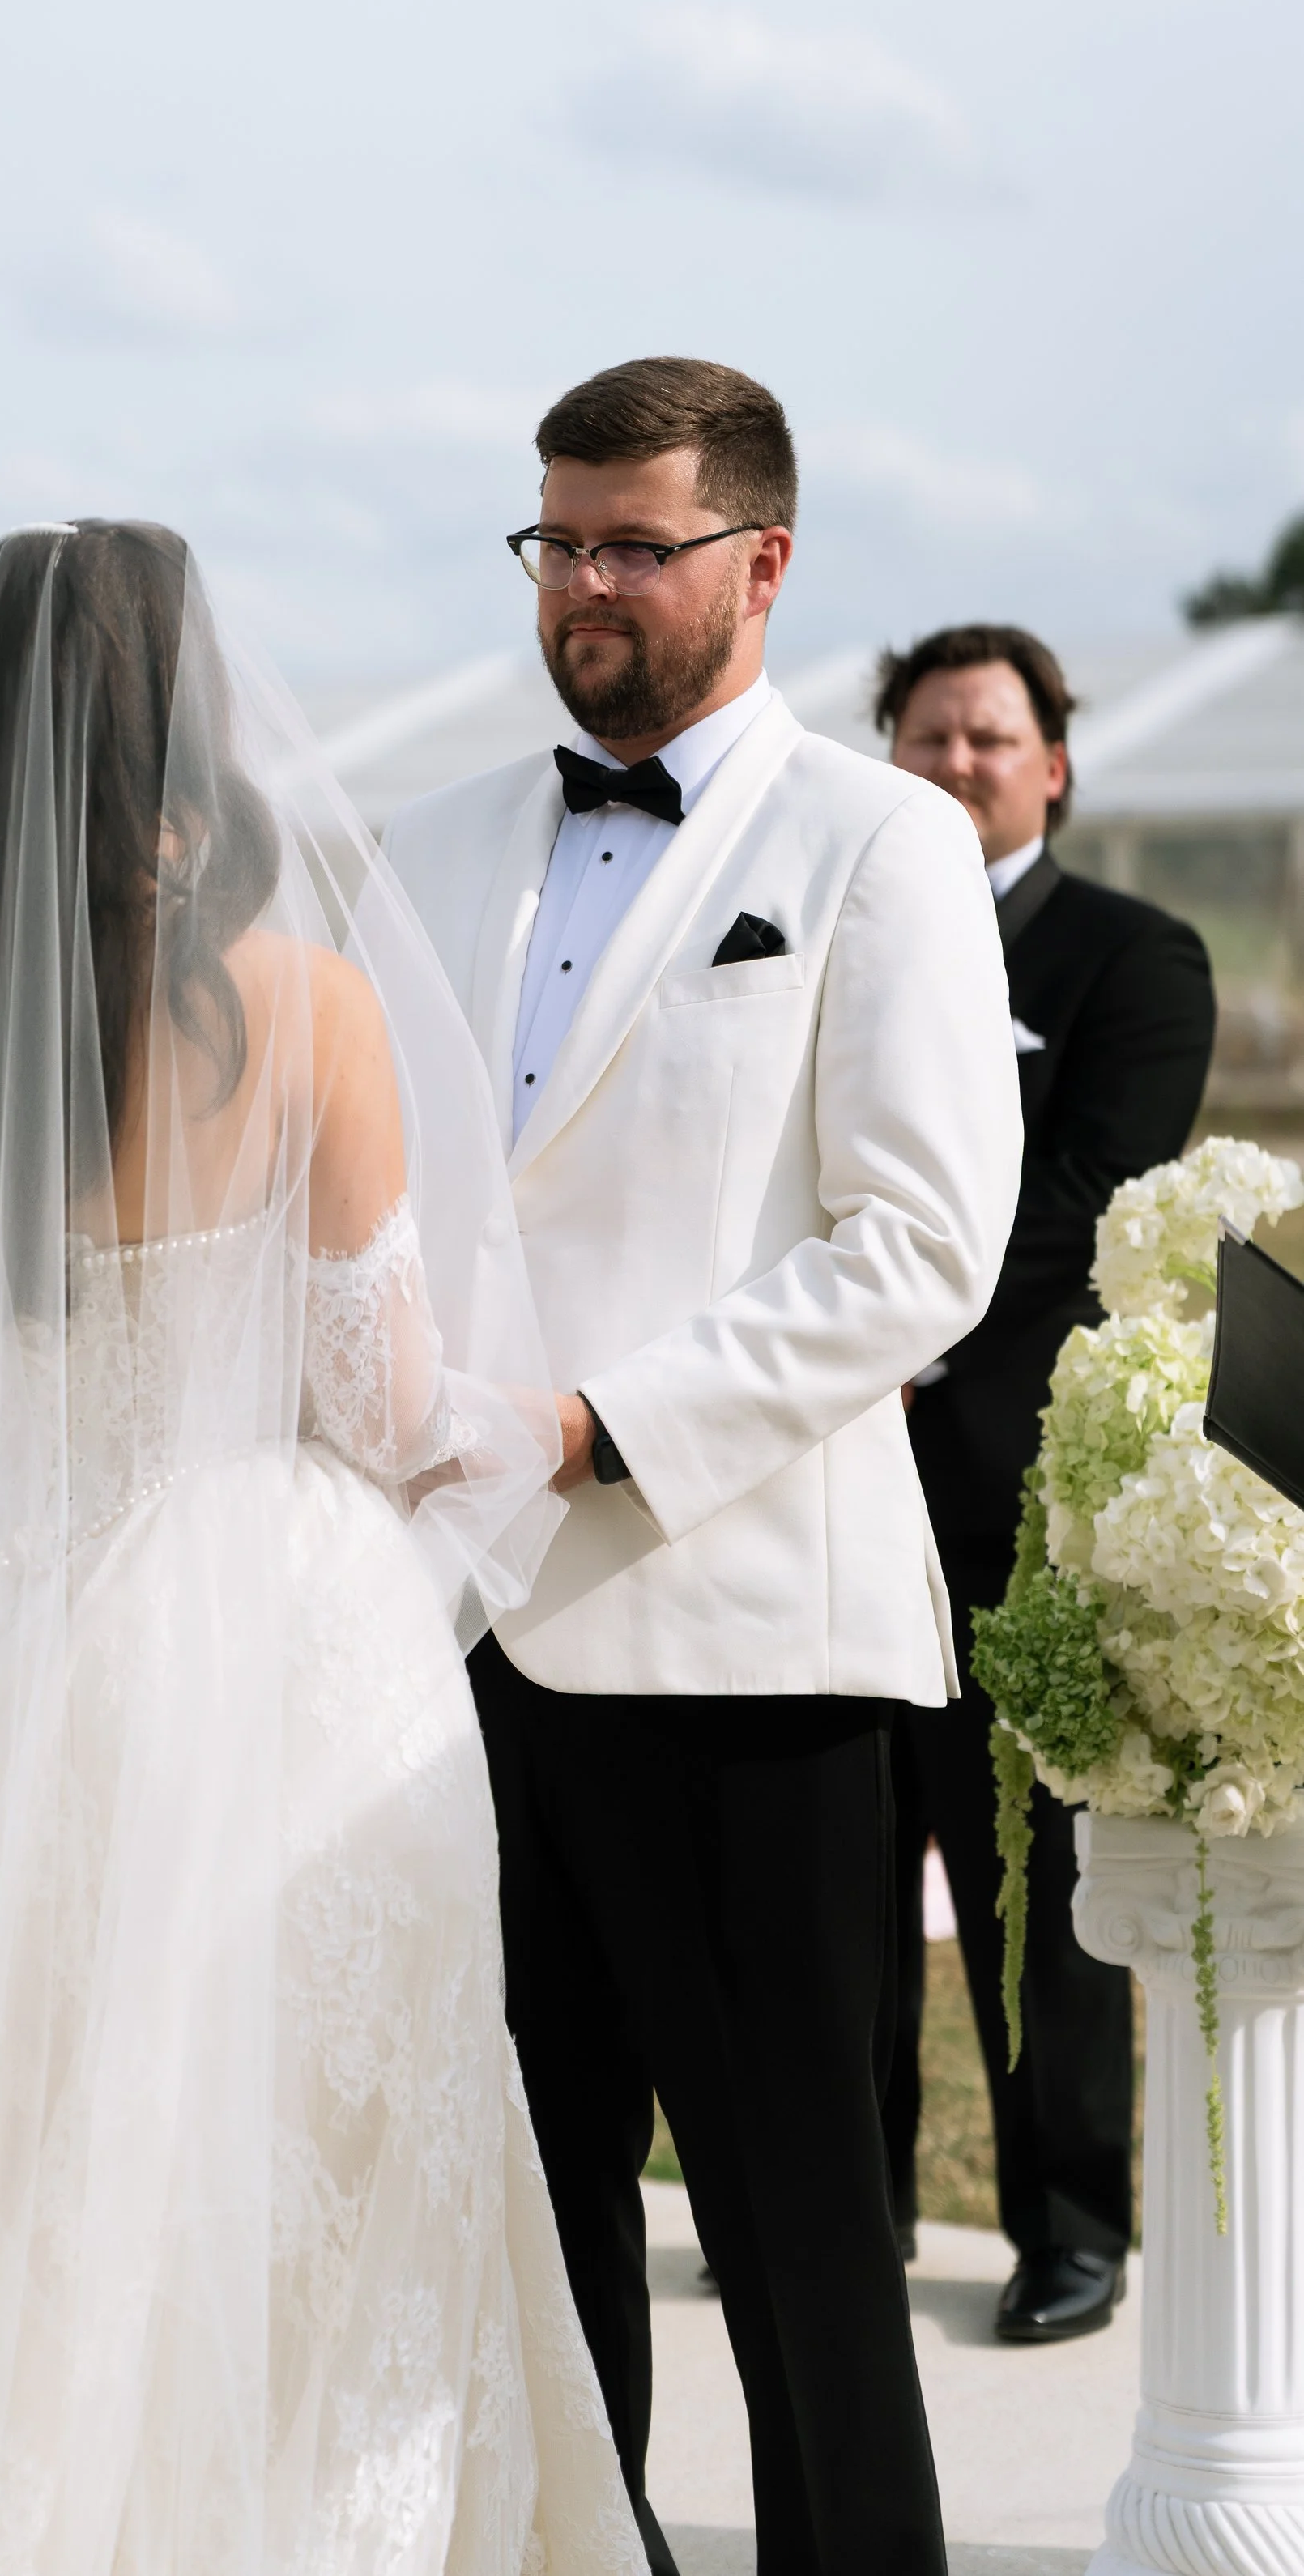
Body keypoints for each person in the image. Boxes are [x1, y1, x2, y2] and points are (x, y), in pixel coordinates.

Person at [0, 521, 646, 2576]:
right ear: (182, 728)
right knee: (292, 2174)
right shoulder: (299, 1007)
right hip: (256, 1633)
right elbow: (376, 1396)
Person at [385, 359, 1023, 2576]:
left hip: (754, 1652)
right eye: (553, 537)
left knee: (800, 2270)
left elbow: (921, 1243)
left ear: (757, 562)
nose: (580, 583)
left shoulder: (882, 841)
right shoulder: (427, 840)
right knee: (522, 2256)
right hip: (454, 1660)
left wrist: (596, 1426)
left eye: (629, 544)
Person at [880, 624, 1216, 2341]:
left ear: (1050, 766)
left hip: (1001, 1487)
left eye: (984, 739)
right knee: (829, 1871)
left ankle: (1067, 2224)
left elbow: (1088, 1198)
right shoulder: (824, 934)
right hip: (807, 1484)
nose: (953, 764)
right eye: (924, 738)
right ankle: (841, 2213)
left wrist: (878, 1329)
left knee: (1026, 1870)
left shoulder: (1132, 957)